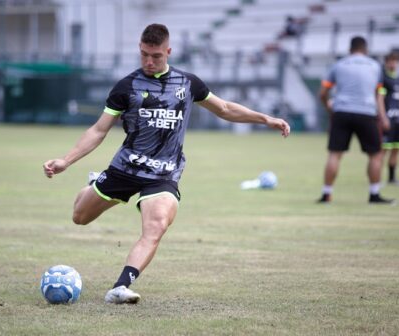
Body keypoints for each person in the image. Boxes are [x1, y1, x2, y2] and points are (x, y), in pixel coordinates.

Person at [43, 24, 291, 304]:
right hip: (125, 168)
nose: (149, 61)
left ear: (168, 52)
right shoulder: (127, 86)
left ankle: (121, 286)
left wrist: (265, 119)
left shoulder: (188, 83)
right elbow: (99, 130)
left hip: (164, 174)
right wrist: (66, 160)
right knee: (80, 217)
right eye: (144, 55)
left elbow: (224, 109)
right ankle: (93, 183)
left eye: (156, 56)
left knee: (157, 225)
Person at [317, 36, 394, 204]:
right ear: (365, 49)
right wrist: (383, 117)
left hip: (342, 111)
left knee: (335, 154)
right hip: (366, 113)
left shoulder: (339, 65)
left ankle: (326, 194)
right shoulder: (375, 66)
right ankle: (374, 194)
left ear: (350, 49)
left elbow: (323, 92)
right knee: (375, 155)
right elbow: (378, 96)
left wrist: (329, 107)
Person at [379, 52, 399, 184]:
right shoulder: (383, 79)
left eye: (395, 61)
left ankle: (391, 178)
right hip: (388, 119)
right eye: (390, 61)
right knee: (382, 150)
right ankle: (376, 177)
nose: (393, 64)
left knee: (395, 149)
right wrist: (383, 117)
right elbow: (379, 99)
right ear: (386, 63)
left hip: (398, 120)